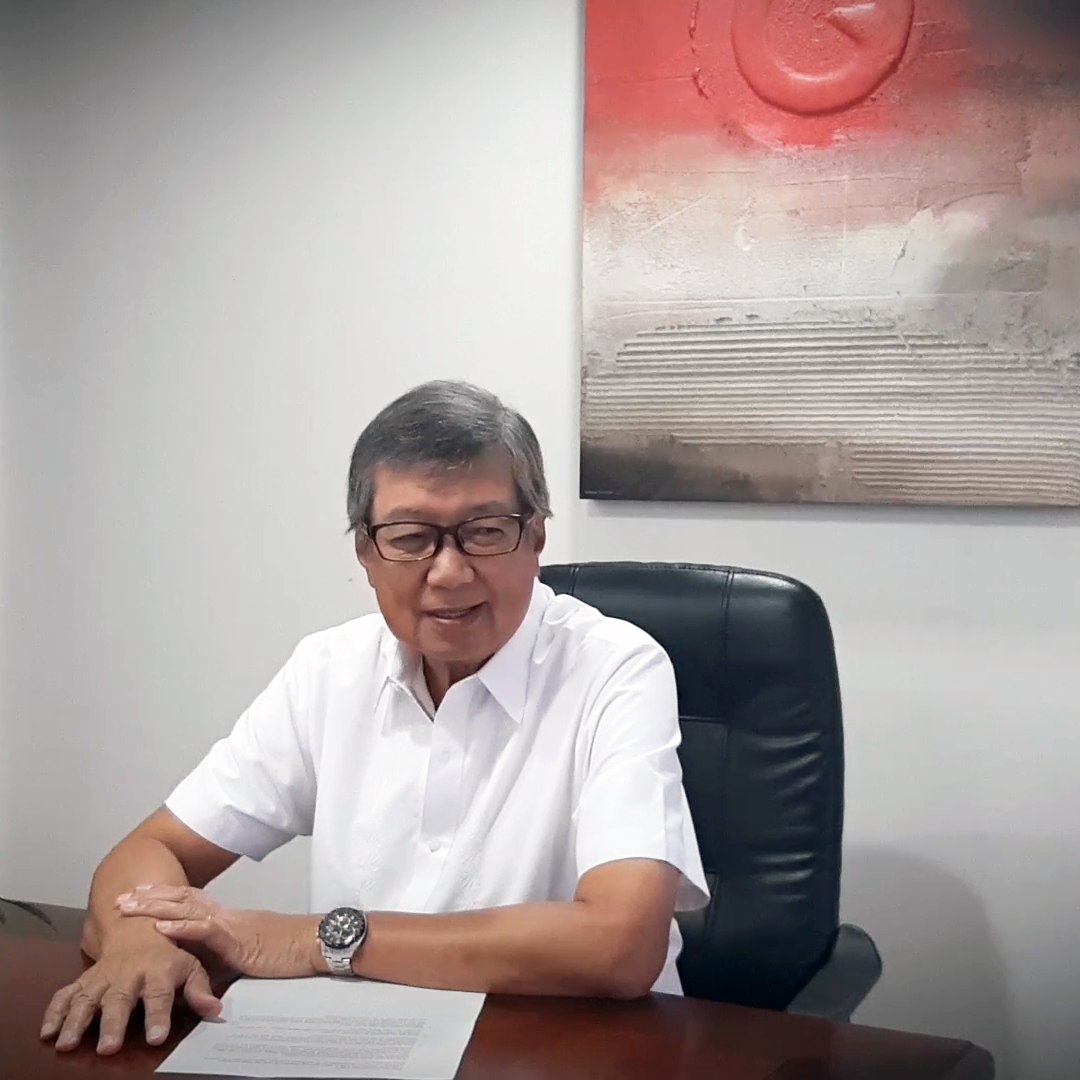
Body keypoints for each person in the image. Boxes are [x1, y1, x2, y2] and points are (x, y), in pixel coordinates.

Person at [41, 380, 708, 1056]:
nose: (448, 572)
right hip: (363, 1045)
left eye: (485, 532)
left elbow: (622, 946)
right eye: (411, 537)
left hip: (571, 1050)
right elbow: (155, 849)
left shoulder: (615, 667)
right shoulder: (329, 669)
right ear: (365, 552)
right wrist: (137, 940)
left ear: (535, 536)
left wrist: (311, 939)